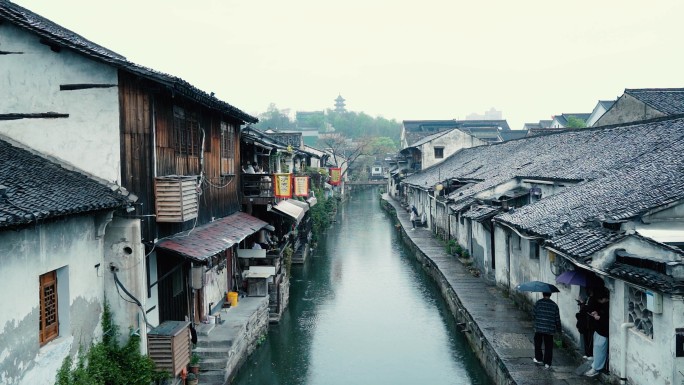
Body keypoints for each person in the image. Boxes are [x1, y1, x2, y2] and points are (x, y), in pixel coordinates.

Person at [585, 288, 610, 377]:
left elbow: (607, 319)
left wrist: (598, 317)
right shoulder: (603, 305)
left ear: (603, 298)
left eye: (600, 300)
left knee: (600, 350)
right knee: (597, 349)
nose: (599, 302)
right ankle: (595, 366)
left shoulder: (609, 306)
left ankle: (596, 368)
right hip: (598, 330)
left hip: (603, 331)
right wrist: (596, 313)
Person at [533, 292, 561, 369]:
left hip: (539, 328)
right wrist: (559, 330)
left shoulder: (538, 303)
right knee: (548, 346)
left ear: (543, 294)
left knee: (538, 343)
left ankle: (538, 358)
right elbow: (557, 319)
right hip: (550, 329)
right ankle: (547, 363)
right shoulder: (554, 305)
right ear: (550, 294)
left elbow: (534, 314)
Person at [576, 288, 596, 360]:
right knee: (586, 338)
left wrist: (583, 304)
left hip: (590, 323)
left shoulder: (593, 299)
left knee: (589, 338)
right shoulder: (588, 298)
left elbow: (589, 309)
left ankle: (590, 354)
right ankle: (587, 353)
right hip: (585, 322)